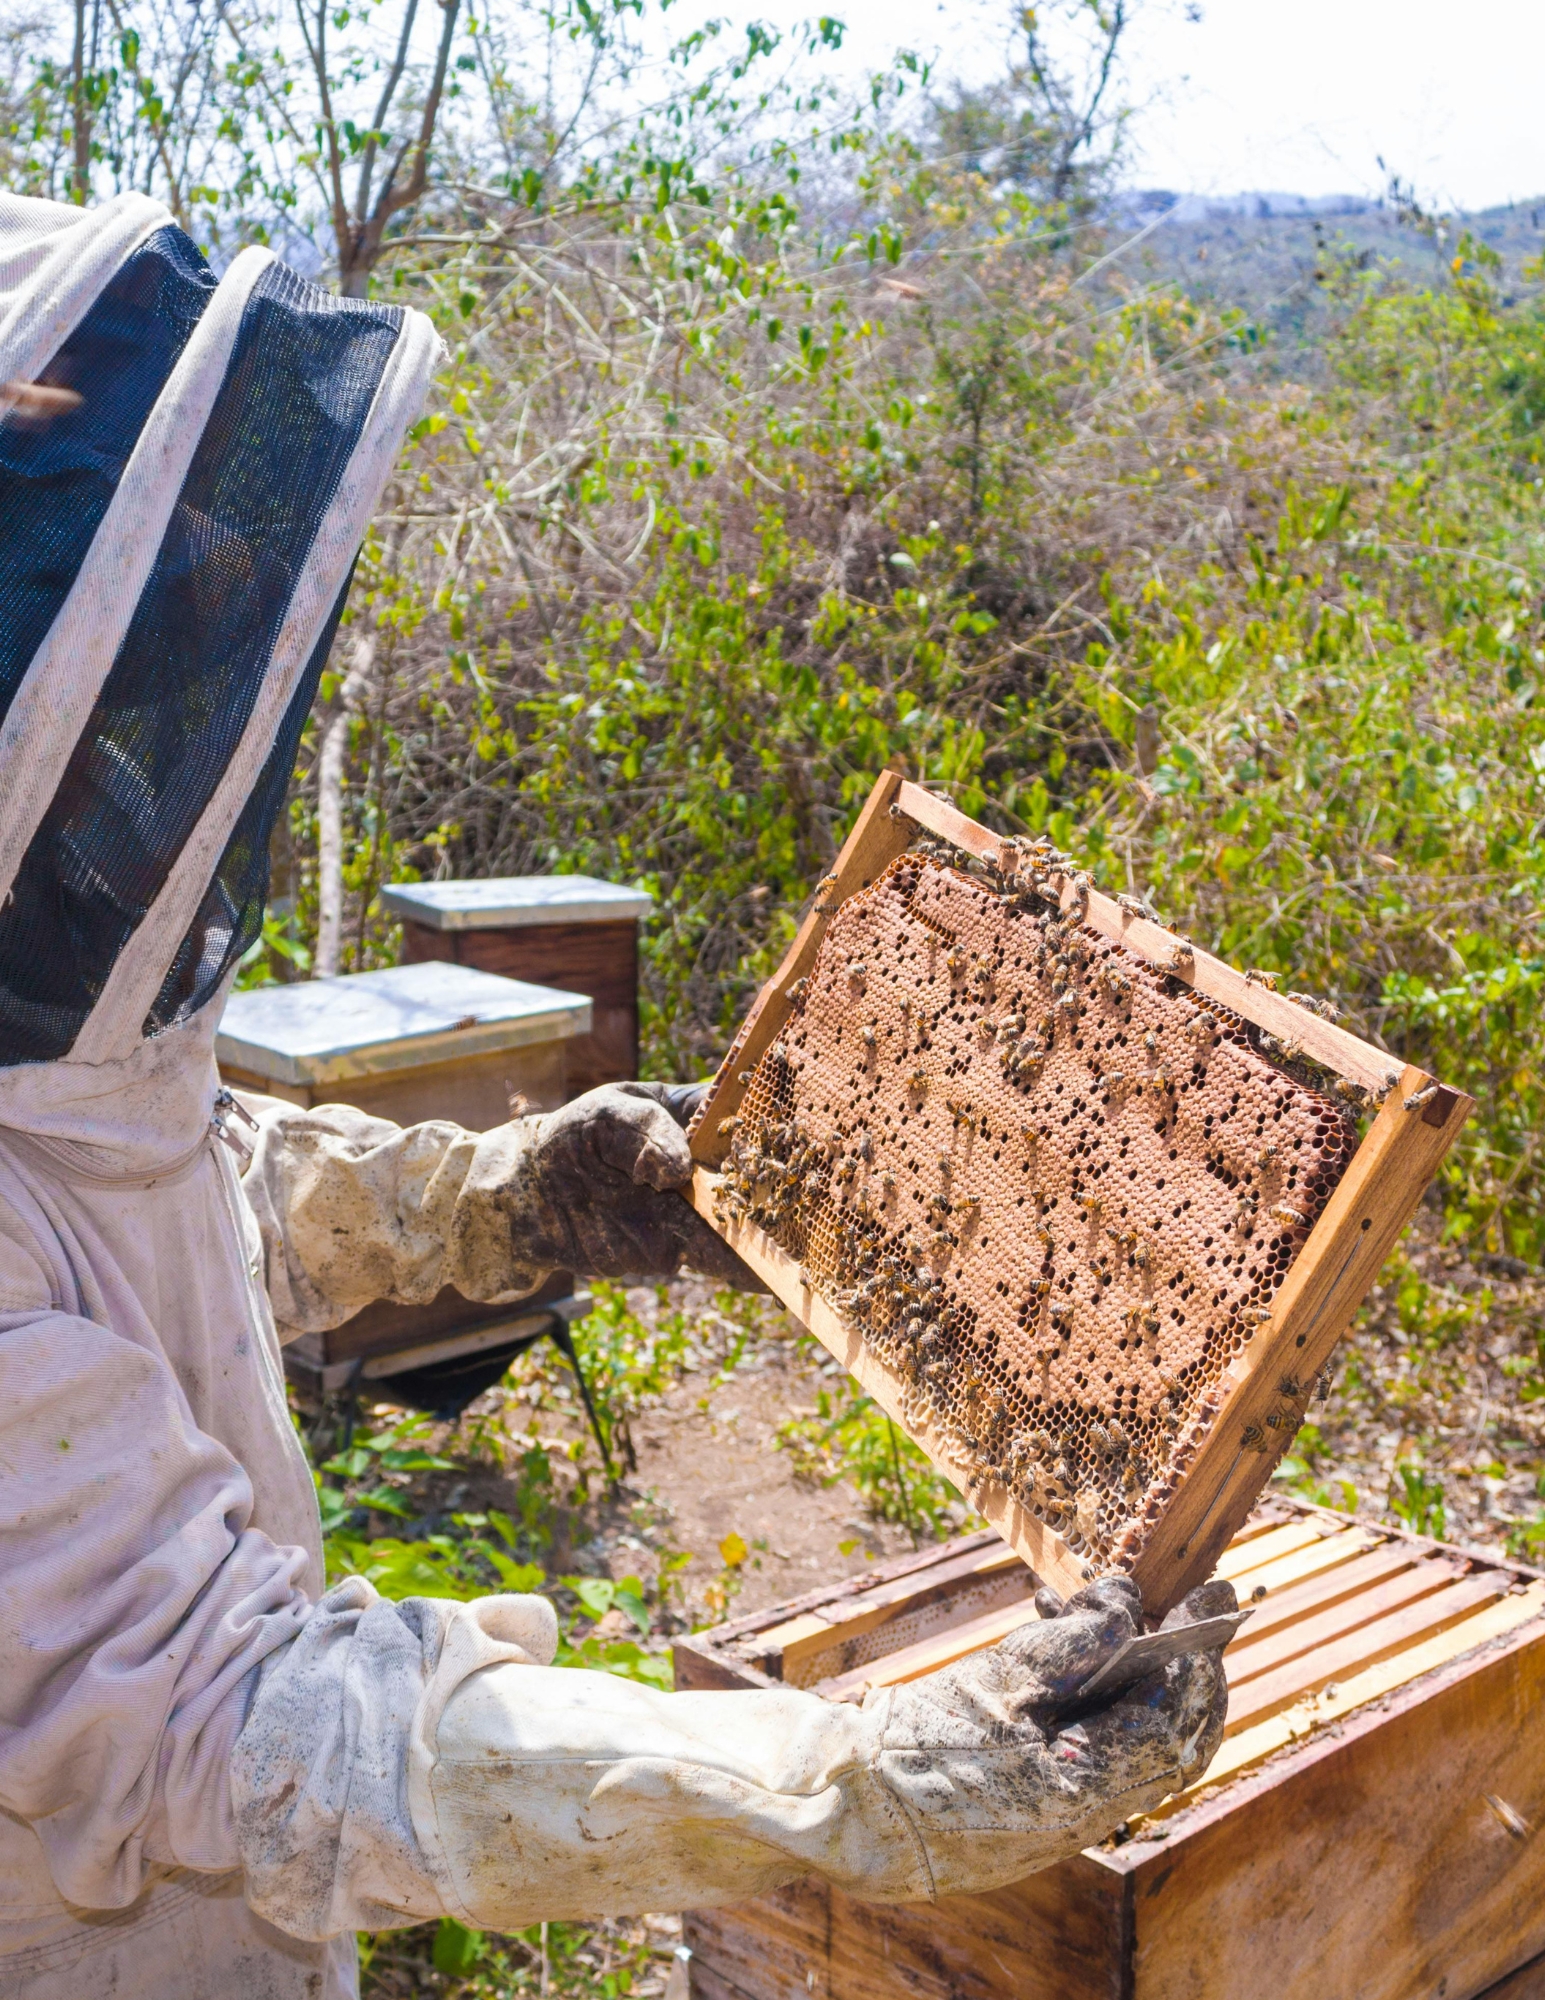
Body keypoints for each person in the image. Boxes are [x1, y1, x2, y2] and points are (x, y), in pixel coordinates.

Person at [0, 190, 1234, 2000]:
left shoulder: (56, 1034)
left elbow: (161, 1190)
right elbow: (217, 1718)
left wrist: (496, 1196)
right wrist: (848, 1785)